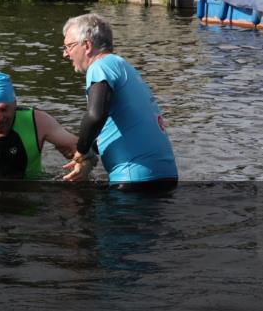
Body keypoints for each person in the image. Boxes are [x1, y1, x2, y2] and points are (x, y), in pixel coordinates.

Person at [60, 13, 178, 190]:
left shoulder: (99, 66)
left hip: (133, 179)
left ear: (86, 45)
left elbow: (95, 116)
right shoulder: (122, 66)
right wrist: (90, 154)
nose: (65, 54)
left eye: (68, 46)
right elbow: (116, 125)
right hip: (165, 175)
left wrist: (80, 152)